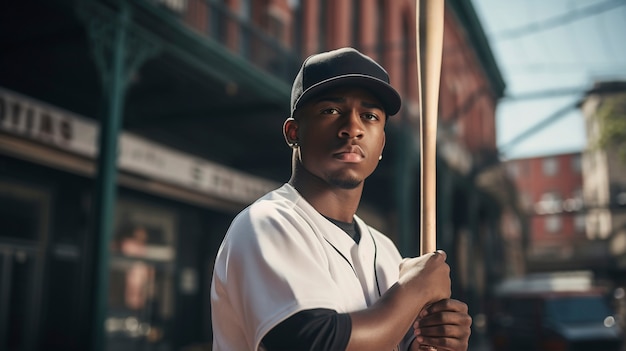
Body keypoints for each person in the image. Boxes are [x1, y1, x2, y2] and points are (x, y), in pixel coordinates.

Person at [210, 47, 472, 351]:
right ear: (293, 132)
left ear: (381, 142)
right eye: (330, 111)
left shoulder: (386, 250)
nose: (352, 128)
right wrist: (414, 291)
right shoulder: (267, 222)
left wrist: (437, 339)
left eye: (369, 116)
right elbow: (314, 342)